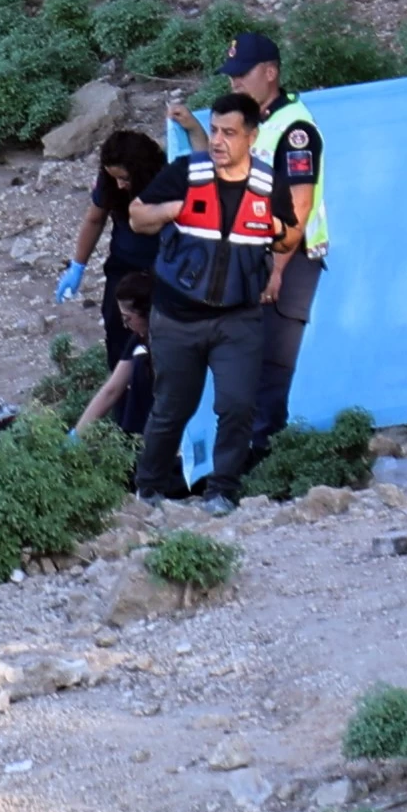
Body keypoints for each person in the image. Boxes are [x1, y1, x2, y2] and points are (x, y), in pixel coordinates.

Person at [127, 95, 299, 510]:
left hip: (237, 320)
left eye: (229, 133)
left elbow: (290, 235)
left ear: (251, 137)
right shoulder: (187, 172)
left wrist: (273, 230)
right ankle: (146, 492)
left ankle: (222, 492)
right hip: (176, 317)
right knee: (172, 408)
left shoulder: (269, 184)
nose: (218, 140)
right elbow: (136, 216)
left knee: (238, 406)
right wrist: (175, 209)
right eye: (215, 130)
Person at [173, 32, 323, 465]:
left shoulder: (294, 129)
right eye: (232, 75)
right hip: (248, 259)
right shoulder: (254, 124)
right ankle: (239, 466)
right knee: (242, 363)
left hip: (286, 260)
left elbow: (300, 203)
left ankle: (262, 467)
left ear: (270, 73)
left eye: (243, 74)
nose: (234, 82)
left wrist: (276, 269)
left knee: (270, 367)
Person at [62, 129, 169, 395]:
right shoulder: (111, 183)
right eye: (114, 178)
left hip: (161, 270)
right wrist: (77, 266)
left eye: (124, 178)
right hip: (123, 265)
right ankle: (122, 396)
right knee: (117, 327)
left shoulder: (167, 178)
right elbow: (95, 218)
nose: (120, 185)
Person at [74, 270, 158, 438]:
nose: (126, 326)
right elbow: (112, 389)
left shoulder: (171, 347)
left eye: (128, 318)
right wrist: (78, 433)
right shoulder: (138, 340)